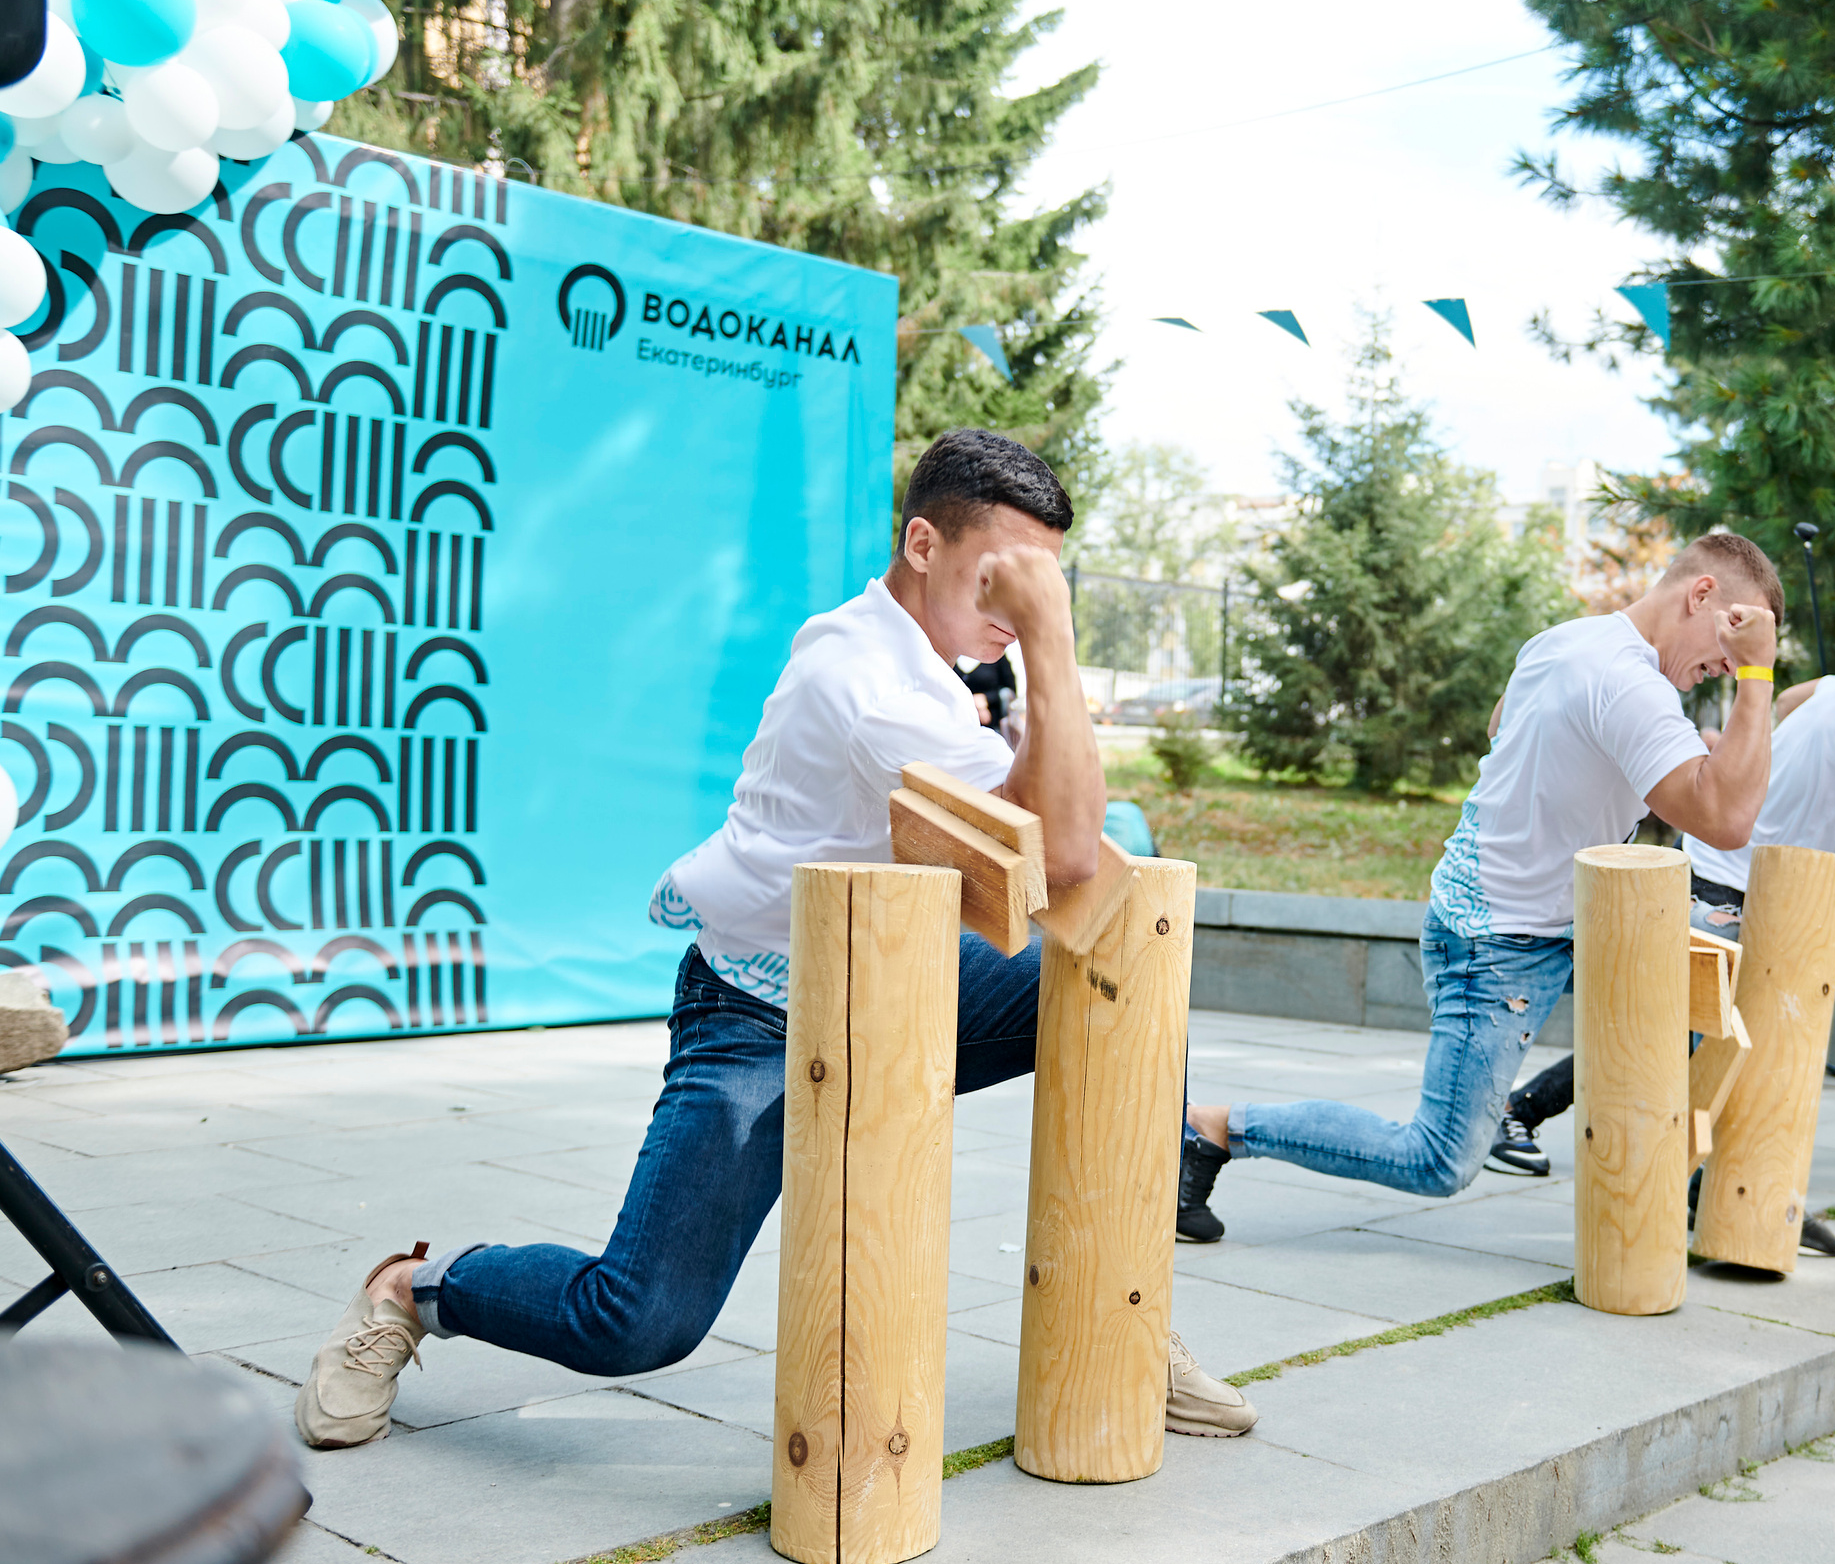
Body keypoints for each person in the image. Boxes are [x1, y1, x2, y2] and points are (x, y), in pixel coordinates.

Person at [294, 429, 1260, 1450]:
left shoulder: (939, 663)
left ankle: (1125, 1316)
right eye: (1001, 582)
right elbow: (1063, 852)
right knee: (636, 1321)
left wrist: (1030, 650)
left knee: (1122, 973)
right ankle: (415, 1290)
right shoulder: (859, 672)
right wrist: (1053, 642)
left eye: (1035, 588)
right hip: (763, 1010)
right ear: (922, 544)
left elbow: (1049, 846)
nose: (1014, 613)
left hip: (894, 979)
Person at [1173, 534, 1786, 1234]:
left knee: (1704, 987)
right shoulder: (1629, 683)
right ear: (1701, 595)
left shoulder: (1567, 639)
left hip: (1538, 913)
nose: (1725, 662)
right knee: (1437, 1157)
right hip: (1499, 938)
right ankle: (1212, 1128)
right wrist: (1756, 677)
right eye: (1737, 635)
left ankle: (1688, 1187)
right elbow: (1727, 820)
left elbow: (1502, 724)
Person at [1493, 606, 1835, 1177]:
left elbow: (1791, 700)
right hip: (1733, 887)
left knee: (1689, 1032)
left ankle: (1723, 1175)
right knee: (1675, 1037)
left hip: (1771, 877)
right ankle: (1528, 1115)